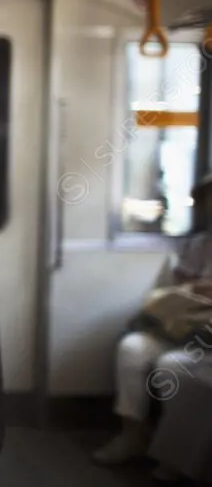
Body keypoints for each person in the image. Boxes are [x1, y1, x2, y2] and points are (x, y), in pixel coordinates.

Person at [92, 180, 212, 470]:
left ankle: (176, 453)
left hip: (206, 336)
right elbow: (181, 286)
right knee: (133, 349)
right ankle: (132, 434)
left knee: (173, 366)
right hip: (182, 324)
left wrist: (198, 289)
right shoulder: (198, 244)